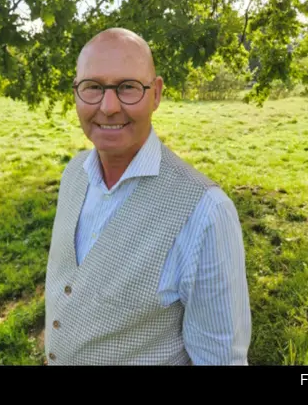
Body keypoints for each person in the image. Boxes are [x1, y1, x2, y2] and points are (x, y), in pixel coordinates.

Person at [44, 28, 251, 365]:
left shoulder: (206, 213)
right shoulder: (73, 173)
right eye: (93, 87)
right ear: (76, 93)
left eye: (127, 88)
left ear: (156, 94)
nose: (108, 107)